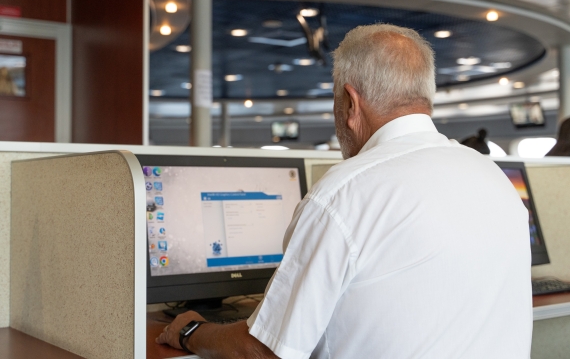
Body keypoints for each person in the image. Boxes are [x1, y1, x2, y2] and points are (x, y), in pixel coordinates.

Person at [157, 24, 532, 358]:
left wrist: (191, 331)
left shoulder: (343, 194)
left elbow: (264, 351)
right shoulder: (494, 177)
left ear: (350, 103)